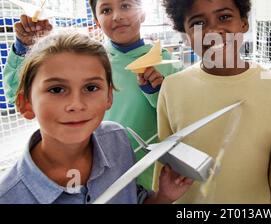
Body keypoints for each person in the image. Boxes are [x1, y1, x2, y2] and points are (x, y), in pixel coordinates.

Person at [3, 0, 181, 190]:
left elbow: (179, 120)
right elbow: (19, 92)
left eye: (126, 6)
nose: (117, 16)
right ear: (96, 21)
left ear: (142, 13)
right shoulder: (86, 61)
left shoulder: (168, 64)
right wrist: (28, 47)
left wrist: (157, 92)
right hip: (90, 173)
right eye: (106, 10)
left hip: (147, 173)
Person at [152, 0, 271, 203]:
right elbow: (165, 168)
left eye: (224, 17)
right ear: (186, 34)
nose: (213, 31)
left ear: (243, 22)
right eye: (198, 23)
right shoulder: (173, 87)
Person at [0, 31, 192, 204]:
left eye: (91, 88)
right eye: (56, 89)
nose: (76, 104)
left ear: (109, 97)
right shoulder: (9, 196)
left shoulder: (116, 139)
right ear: (26, 103)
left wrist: (163, 197)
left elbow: (133, 198)